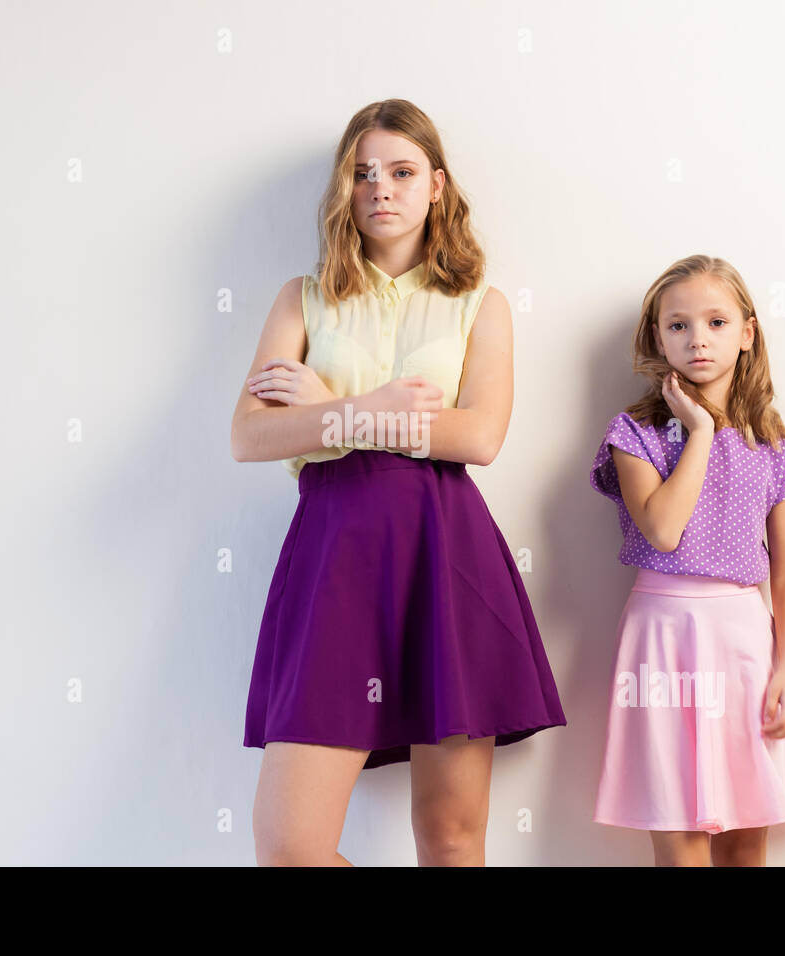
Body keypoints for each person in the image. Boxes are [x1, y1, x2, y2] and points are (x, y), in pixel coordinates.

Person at [230, 99, 566, 866]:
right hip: (332, 562)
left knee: (450, 839)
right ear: (344, 190)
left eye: (403, 171)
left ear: (437, 186)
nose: (381, 187)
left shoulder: (480, 303)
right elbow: (248, 435)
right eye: (362, 172)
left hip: (446, 558)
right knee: (289, 846)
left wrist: (336, 414)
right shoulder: (304, 297)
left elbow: (478, 436)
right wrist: (369, 409)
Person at [588, 254, 785, 866]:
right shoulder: (636, 434)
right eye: (677, 326)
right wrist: (699, 432)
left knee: (743, 844)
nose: (697, 338)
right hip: (662, 640)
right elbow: (664, 529)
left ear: (747, 333)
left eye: (715, 322)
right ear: (657, 338)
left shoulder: (770, 441)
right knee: (679, 843)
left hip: (742, 643)